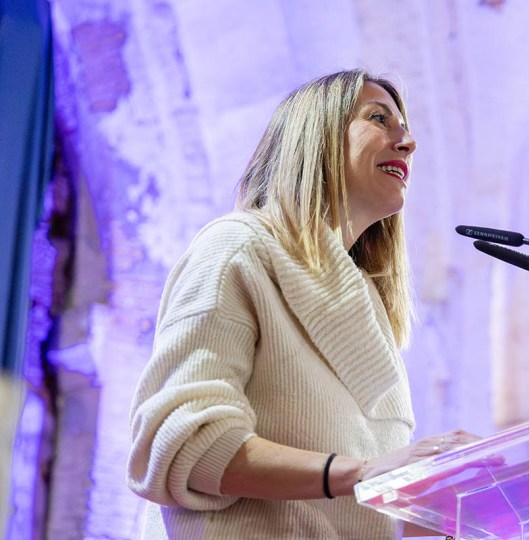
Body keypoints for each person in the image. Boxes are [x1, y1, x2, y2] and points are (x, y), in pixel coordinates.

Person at [126, 69, 476, 539]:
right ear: (317, 136)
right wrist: (361, 473)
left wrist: (450, 508)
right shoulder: (239, 248)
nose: (408, 142)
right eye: (379, 118)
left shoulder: (370, 306)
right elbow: (181, 441)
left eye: (405, 128)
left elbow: (363, 511)